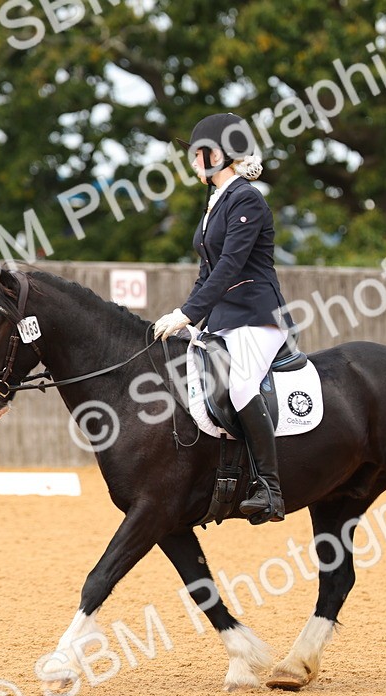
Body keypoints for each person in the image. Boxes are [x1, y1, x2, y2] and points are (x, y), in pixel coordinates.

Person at [153, 112, 292, 524]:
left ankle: (270, 489)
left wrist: (187, 313)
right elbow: (207, 272)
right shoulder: (215, 202)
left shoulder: (246, 198)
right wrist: (189, 318)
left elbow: (231, 265)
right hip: (223, 320)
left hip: (257, 317)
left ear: (218, 155)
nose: (192, 161)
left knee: (241, 383)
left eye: (197, 153)